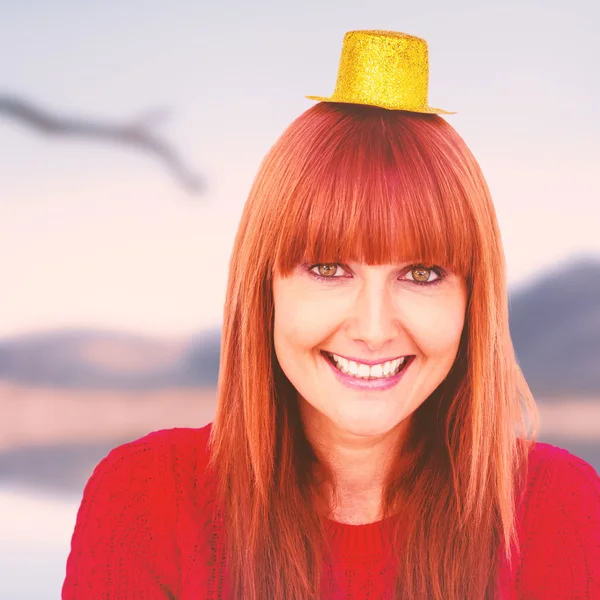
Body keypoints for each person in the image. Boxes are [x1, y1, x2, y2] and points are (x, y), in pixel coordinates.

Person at [62, 30, 600, 600]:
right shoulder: (144, 500)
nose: (372, 328)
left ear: (473, 300)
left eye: (420, 274)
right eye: (326, 268)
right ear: (264, 287)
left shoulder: (560, 509)